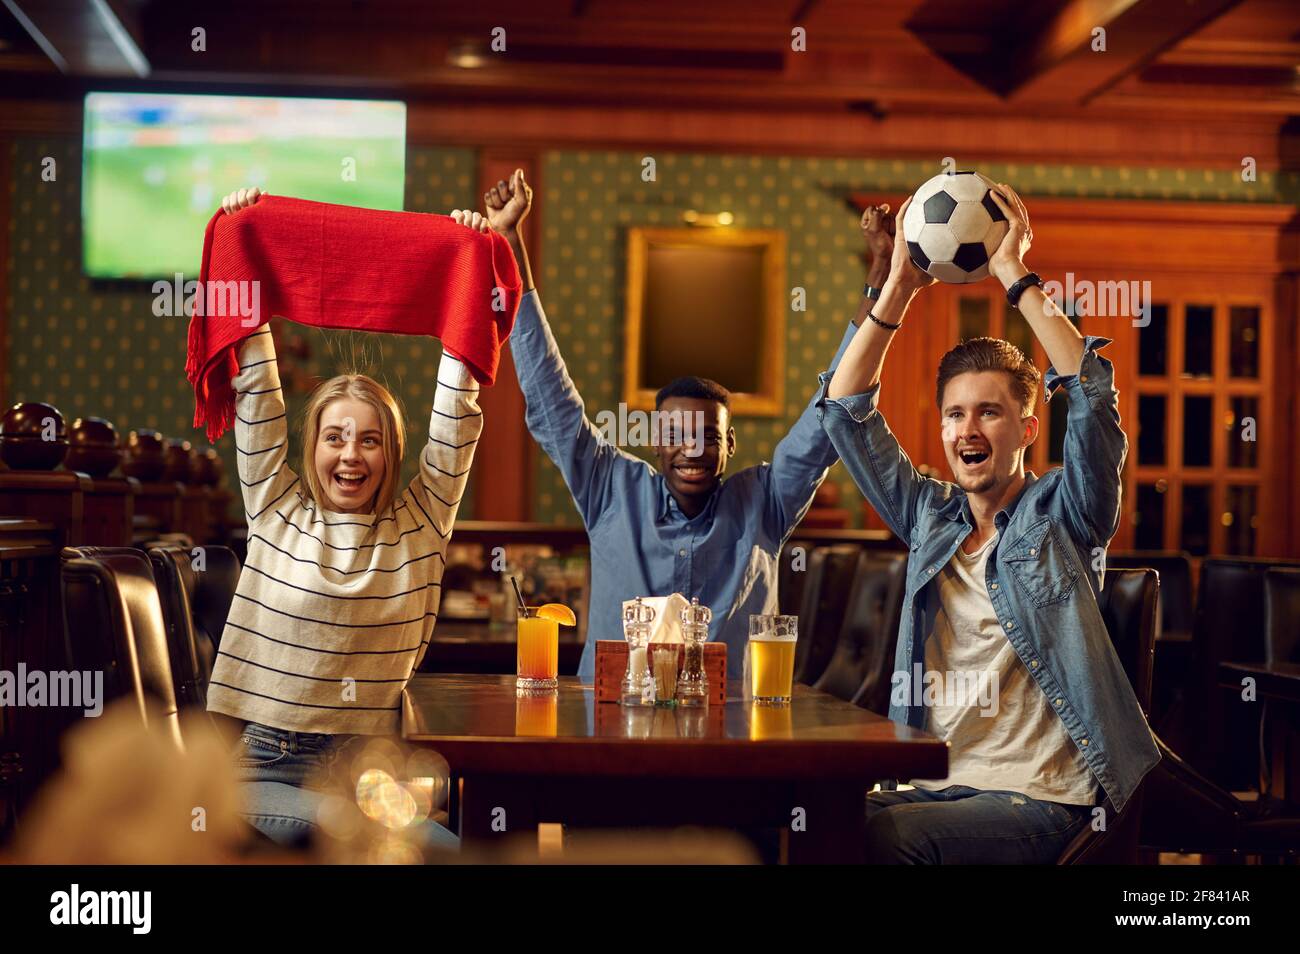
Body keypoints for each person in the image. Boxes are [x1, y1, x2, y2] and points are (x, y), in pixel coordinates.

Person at [817, 184, 1159, 864]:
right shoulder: (929, 515)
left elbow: (1090, 396)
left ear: (1027, 429)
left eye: (989, 413)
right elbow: (843, 409)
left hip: (1045, 798)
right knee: (799, 818)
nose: (968, 429)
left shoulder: (1065, 516)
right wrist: (898, 287)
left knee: (881, 839)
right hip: (937, 781)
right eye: (954, 413)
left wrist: (1015, 275)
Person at [455, 172, 889, 683]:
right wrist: (510, 241)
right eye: (676, 433)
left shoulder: (765, 502)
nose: (693, 450)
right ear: (656, 439)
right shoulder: (610, 489)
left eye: (708, 435)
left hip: (729, 744)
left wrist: (882, 280)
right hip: (611, 738)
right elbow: (551, 396)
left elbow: (830, 411)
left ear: (729, 443)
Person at [205, 187, 484, 850]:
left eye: (369, 439)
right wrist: (243, 234)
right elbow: (256, 385)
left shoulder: (423, 518)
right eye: (335, 437)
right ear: (313, 447)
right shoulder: (274, 503)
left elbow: (458, 410)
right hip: (264, 767)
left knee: (454, 851)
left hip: (369, 769)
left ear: (391, 451)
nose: (351, 455)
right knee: (393, 846)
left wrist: (469, 260)